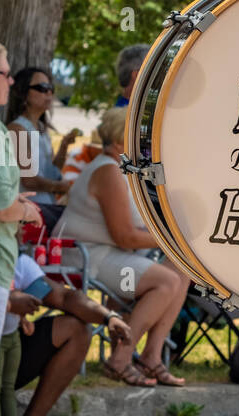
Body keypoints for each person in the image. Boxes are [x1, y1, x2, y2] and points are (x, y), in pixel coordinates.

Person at [55, 107, 189, 386]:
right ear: (119, 140)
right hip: (84, 256)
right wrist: (173, 238)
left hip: (109, 254)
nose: (144, 142)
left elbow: (137, 231)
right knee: (165, 282)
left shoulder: (122, 168)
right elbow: (125, 237)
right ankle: (120, 359)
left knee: (182, 268)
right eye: (137, 135)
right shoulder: (107, 171)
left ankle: (151, 357)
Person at [5, 249, 132, 416]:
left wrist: (109, 317)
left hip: (6, 358)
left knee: (76, 330)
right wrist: (7, 302)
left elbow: (65, 297)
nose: (22, 231)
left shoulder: (19, 263)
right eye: (19, 223)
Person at [0, 42, 43, 341]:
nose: (11, 81)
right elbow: (1, 205)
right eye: (5, 73)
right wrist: (25, 210)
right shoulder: (8, 131)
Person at [5, 67, 79, 233]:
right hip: (31, 212)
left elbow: (51, 170)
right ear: (23, 94)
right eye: (42, 88)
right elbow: (29, 180)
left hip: (45, 207)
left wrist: (64, 146)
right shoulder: (18, 129)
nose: (49, 94)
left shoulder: (40, 128)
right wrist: (61, 187)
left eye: (51, 89)